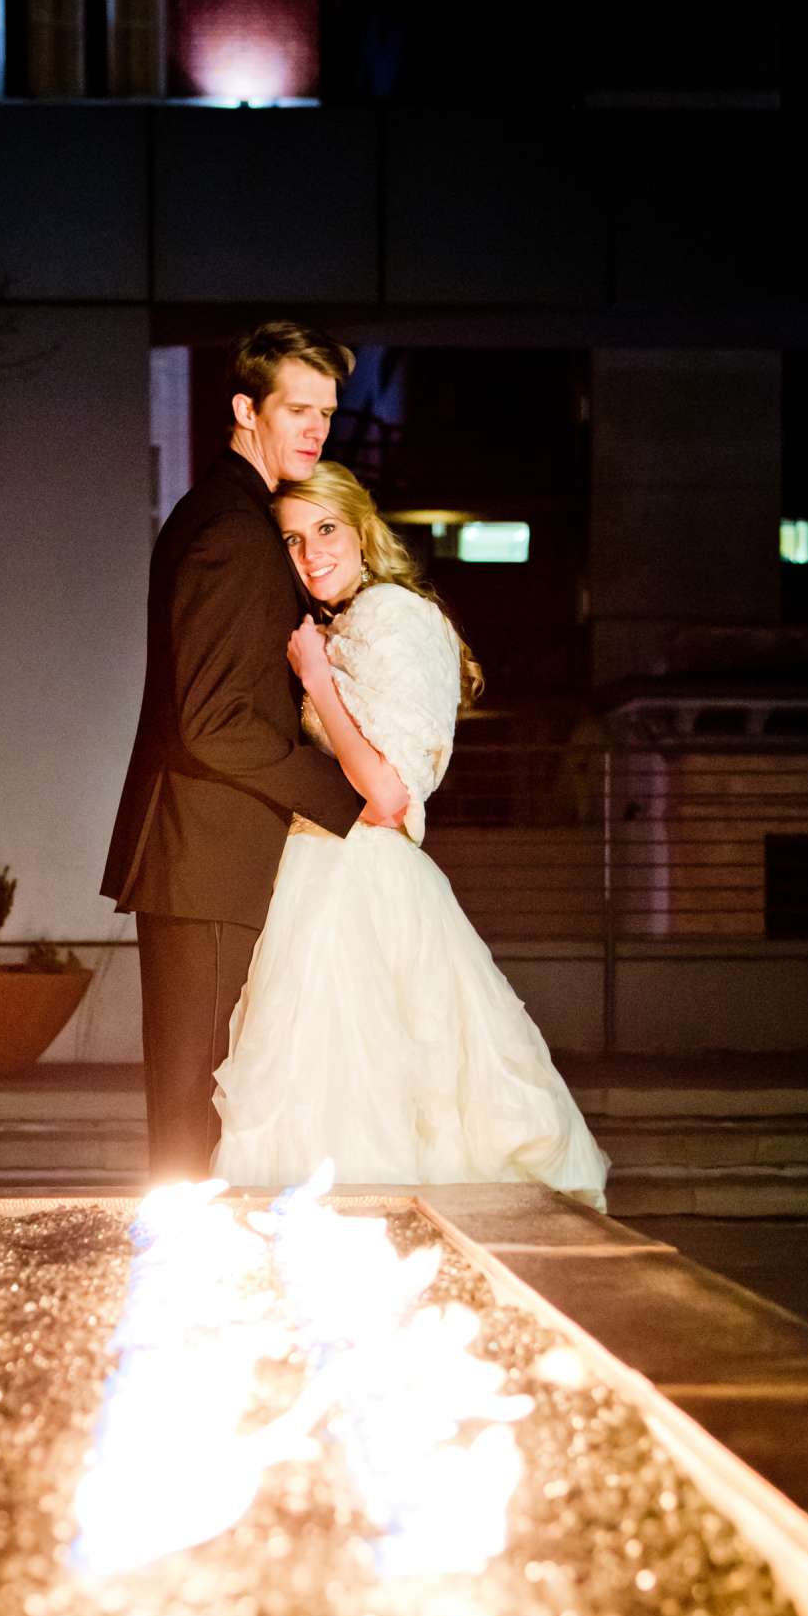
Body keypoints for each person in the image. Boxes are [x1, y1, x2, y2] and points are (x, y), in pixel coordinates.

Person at [213, 461, 609, 1208]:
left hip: (360, 879)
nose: (311, 553)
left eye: (325, 529)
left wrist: (319, 681)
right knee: (325, 1085)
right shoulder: (350, 620)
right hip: (320, 873)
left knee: (367, 1083)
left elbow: (390, 794)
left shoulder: (394, 615)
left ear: (363, 531)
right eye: (292, 541)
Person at [102, 323, 405, 1180]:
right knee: (193, 1109)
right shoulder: (231, 529)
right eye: (297, 409)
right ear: (245, 409)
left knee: (202, 1104)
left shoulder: (233, 517)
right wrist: (343, 793)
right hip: (204, 860)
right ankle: (183, 1292)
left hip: (213, 857)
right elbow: (210, 724)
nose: (317, 430)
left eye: (327, 414)